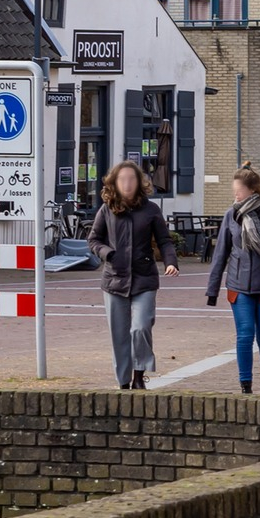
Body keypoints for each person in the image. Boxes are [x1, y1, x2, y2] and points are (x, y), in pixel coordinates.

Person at [87, 161, 179, 390]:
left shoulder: (151, 210)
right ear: (114, 184)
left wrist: (171, 262)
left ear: (139, 182)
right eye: (122, 179)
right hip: (114, 279)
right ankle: (123, 382)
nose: (127, 183)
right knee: (119, 335)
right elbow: (93, 240)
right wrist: (108, 253)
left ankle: (139, 374)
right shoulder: (106, 209)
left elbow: (165, 240)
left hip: (144, 278)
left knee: (140, 327)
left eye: (132, 179)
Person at [205, 166, 260, 394]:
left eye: (239, 191)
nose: (235, 195)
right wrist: (212, 289)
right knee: (245, 334)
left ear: (253, 190)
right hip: (239, 285)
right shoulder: (231, 215)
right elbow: (221, 253)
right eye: (234, 191)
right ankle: (245, 386)